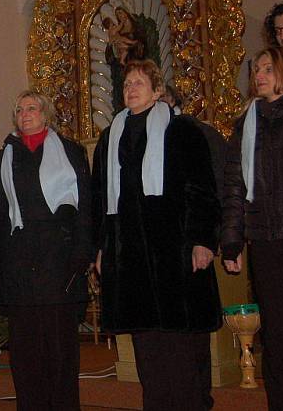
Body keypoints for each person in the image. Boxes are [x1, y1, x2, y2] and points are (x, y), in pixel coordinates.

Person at [92, 60, 222, 411]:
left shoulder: (181, 130)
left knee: (181, 347)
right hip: (131, 255)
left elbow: (202, 190)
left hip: (175, 252)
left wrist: (202, 240)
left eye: (138, 82)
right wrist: (103, 247)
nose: (131, 88)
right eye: (127, 84)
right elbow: (102, 199)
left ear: (156, 89)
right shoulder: (109, 137)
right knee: (148, 348)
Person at [0, 91, 92, 410]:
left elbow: (86, 206)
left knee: (60, 350)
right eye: (19, 109)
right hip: (19, 262)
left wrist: (83, 250)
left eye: (31, 108)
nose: (25, 114)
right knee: (26, 352)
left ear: (46, 114)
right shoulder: (6, 154)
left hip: (60, 261)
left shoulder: (71, 151)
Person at [221, 46, 283, 411]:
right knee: (277, 337)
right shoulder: (247, 123)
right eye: (256, 69)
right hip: (266, 240)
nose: (258, 75)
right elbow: (233, 186)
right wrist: (231, 242)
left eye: (267, 68)